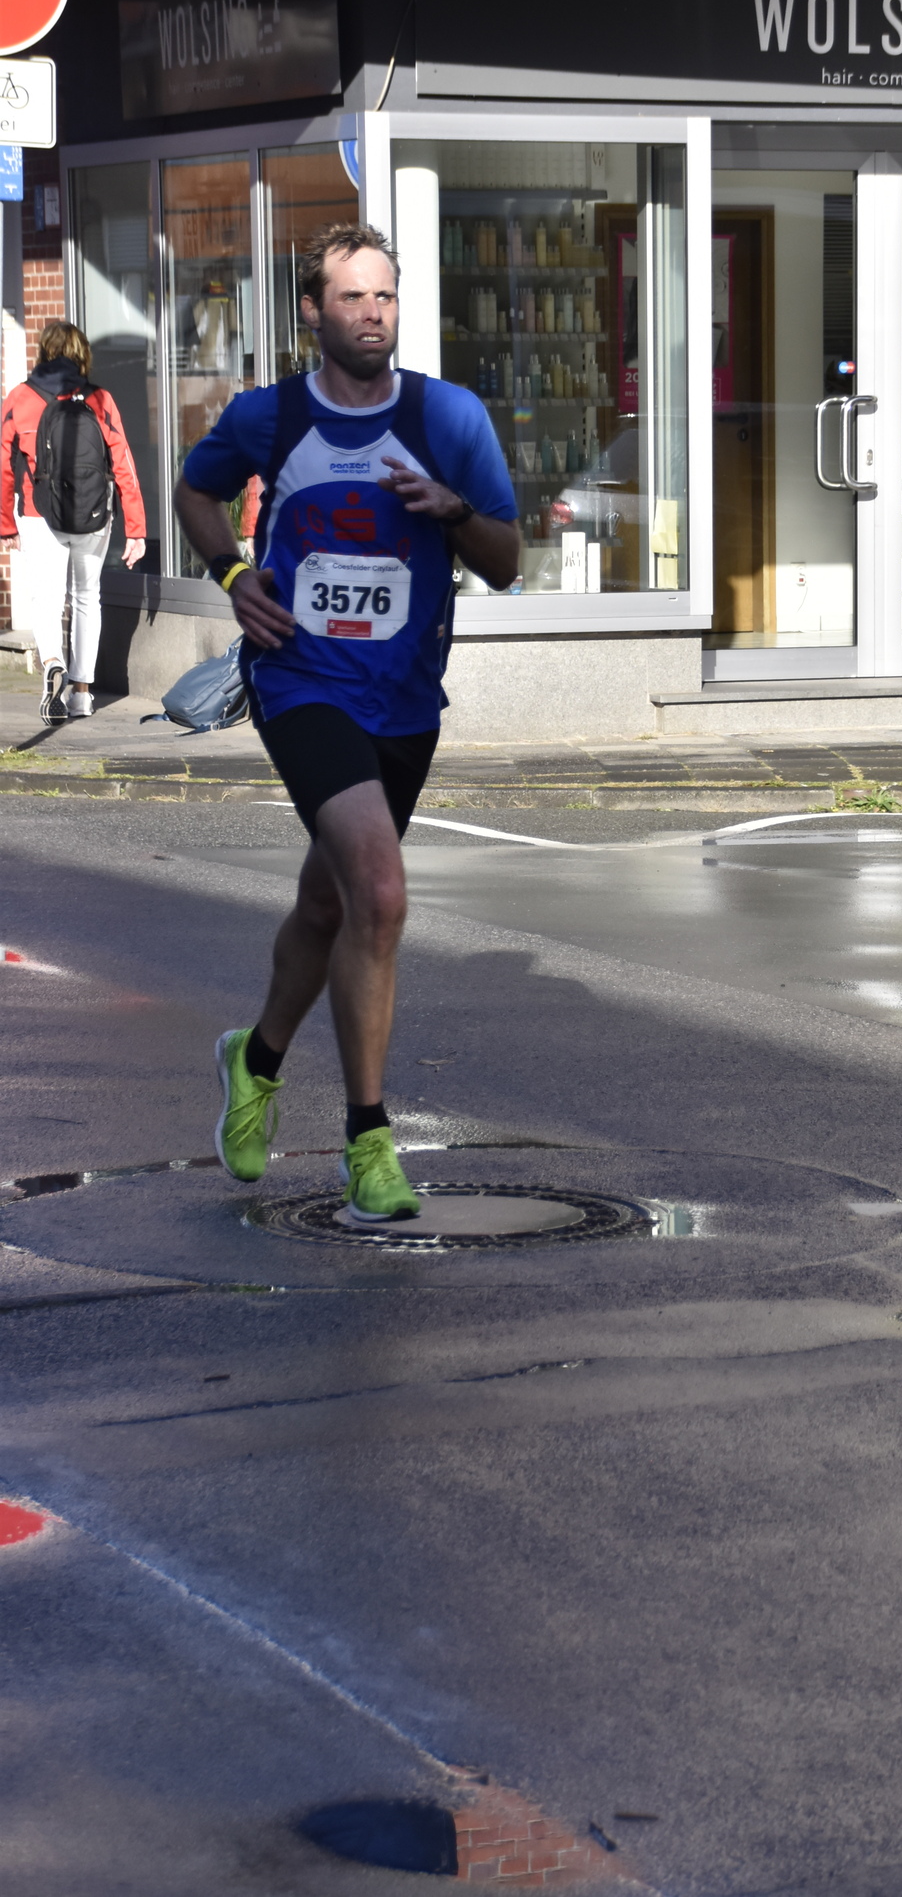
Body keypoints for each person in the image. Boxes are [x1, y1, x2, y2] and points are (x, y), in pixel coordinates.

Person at [174, 223, 520, 1225]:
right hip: (301, 681)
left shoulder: (448, 417)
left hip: (406, 698)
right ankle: (369, 1139)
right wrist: (236, 576)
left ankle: (257, 1058)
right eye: (353, 298)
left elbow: (504, 561)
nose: (373, 314)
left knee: (331, 907)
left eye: (386, 297)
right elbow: (197, 491)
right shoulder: (269, 417)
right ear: (314, 314)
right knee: (379, 886)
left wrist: (451, 510)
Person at [0, 320, 148, 721]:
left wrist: (5, 525)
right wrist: (136, 528)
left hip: (38, 514)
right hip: (94, 516)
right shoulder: (100, 400)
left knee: (46, 598)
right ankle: (83, 692)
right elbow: (124, 464)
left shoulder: (19, 398)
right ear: (82, 354)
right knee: (87, 598)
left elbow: (2, 466)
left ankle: (52, 664)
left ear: (44, 353)